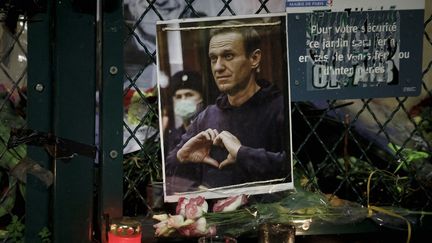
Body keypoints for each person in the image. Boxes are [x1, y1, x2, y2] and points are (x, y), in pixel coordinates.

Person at [165, 20, 288, 194]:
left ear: (254, 58)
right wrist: (181, 156)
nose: (218, 67)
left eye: (228, 56)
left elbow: (297, 168)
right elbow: (168, 169)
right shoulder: (207, 116)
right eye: (213, 58)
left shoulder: (280, 108)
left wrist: (242, 154)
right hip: (215, 217)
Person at [164, 70, 205, 153]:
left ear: (201, 99)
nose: (183, 100)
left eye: (189, 95)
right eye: (178, 97)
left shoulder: (210, 131)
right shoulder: (172, 136)